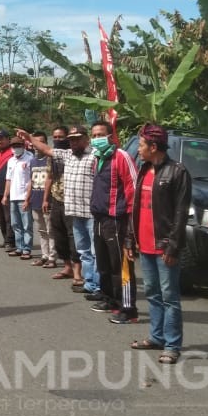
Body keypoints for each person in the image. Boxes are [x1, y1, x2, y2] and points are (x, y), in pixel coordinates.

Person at [128, 123, 191, 352]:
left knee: (169, 297)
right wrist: (130, 239)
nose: (139, 150)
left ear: (154, 146)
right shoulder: (143, 170)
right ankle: (156, 337)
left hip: (164, 247)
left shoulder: (178, 172)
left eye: (142, 145)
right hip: (144, 245)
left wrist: (173, 247)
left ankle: (172, 345)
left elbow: (180, 214)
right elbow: (135, 207)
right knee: (153, 294)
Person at [28, 125, 98, 295]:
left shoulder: (95, 157)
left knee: (88, 249)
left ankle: (90, 281)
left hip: (88, 211)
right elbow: (47, 158)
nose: (72, 142)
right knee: (69, 242)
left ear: (86, 140)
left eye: (77, 139)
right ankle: (82, 278)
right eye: (71, 139)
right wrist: (28, 137)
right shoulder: (66, 155)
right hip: (64, 204)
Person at [83, 120, 139, 323]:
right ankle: (109, 299)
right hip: (99, 217)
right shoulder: (97, 157)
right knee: (104, 263)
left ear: (110, 136)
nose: (96, 139)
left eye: (100, 135)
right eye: (94, 135)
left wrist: (132, 226)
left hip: (117, 220)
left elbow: (134, 189)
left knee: (120, 265)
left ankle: (128, 308)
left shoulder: (121, 157)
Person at [44, 126, 76, 280]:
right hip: (56, 198)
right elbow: (49, 176)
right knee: (59, 234)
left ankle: (79, 270)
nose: (57, 140)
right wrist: (45, 198)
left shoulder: (74, 154)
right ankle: (67, 267)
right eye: (55, 137)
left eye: (60, 137)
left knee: (73, 235)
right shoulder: (52, 156)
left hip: (72, 200)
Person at [2, 135, 34, 259]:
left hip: (24, 196)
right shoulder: (11, 160)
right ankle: (19, 247)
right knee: (16, 224)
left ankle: (27, 249)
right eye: (14, 146)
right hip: (13, 197)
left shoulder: (29, 158)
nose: (16, 148)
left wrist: (27, 198)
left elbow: (32, 179)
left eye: (18, 146)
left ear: (23, 146)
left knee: (26, 225)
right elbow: (8, 179)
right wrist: (5, 196)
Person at [27, 131, 55, 268]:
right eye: (35, 142)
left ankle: (52, 257)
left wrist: (47, 199)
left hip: (48, 201)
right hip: (35, 200)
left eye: (41, 142)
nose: (38, 145)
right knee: (42, 231)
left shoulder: (51, 159)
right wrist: (27, 199)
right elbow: (30, 182)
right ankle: (44, 256)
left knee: (51, 231)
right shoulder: (32, 161)